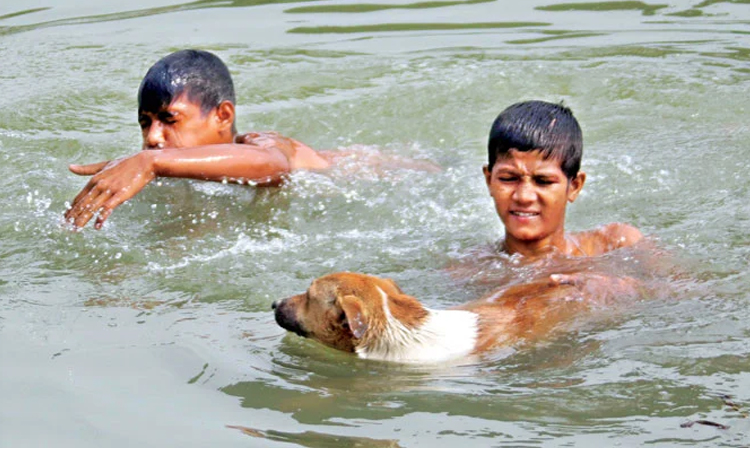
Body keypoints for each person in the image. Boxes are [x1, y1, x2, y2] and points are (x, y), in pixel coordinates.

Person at [64, 49, 332, 230]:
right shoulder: (167, 170)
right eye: (145, 123)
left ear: (223, 116)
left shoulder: (262, 144)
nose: (153, 137)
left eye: (169, 120)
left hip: (363, 174)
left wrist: (151, 162)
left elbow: (275, 166)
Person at [483, 100, 643, 260]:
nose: (524, 197)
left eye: (543, 181)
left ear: (574, 186)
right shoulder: (468, 273)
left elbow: (664, 280)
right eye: (508, 179)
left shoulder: (617, 245)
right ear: (489, 180)